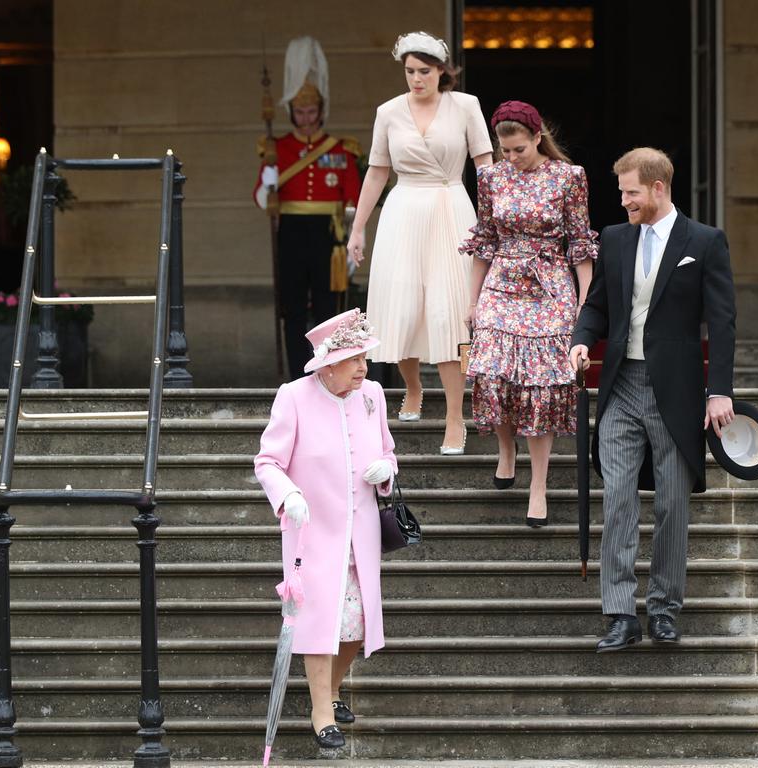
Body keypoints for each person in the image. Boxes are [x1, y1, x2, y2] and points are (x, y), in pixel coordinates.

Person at [569, 147, 736, 653]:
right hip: (620, 386)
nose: (624, 202)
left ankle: (663, 610)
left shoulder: (704, 242)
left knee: (671, 506)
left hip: (677, 392)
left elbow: (723, 321)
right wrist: (581, 337)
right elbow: (597, 304)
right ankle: (620, 614)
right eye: (622, 193)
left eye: (631, 192)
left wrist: (720, 390)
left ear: (658, 188)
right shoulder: (616, 240)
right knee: (618, 500)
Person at [254, 308, 397, 749]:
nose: (362, 367)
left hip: (363, 532)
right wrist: (288, 495)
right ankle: (321, 713)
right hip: (312, 533)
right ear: (328, 363)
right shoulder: (293, 396)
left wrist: (385, 470)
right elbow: (267, 462)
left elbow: (389, 452)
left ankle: (331, 690)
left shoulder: (373, 394)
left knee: (357, 626)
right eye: (354, 359)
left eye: (364, 358)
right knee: (319, 623)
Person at [347, 30, 493, 454]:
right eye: (409, 71)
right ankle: (412, 387)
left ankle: (454, 416)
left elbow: (484, 164)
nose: (416, 78)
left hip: (451, 205)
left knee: (449, 313)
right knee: (403, 307)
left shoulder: (465, 106)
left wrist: (492, 221)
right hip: (404, 209)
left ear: (442, 71)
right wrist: (358, 228)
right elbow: (377, 171)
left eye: (424, 71)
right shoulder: (389, 111)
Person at [460, 100, 597, 525]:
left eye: (520, 149)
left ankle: (538, 485)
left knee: (541, 386)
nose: (513, 158)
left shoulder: (569, 177)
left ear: (538, 138)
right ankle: (506, 448)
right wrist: (473, 300)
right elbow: (484, 240)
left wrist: (584, 303)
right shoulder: (490, 178)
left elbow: (579, 244)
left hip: (550, 283)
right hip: (501, 281)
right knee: (492, 372)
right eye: (506, 151)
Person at [254, 36, 362, 379]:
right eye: (300, 111)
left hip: (328, 235)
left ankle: (332, 370)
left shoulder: (341, 149)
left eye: (311, 111)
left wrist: (349, 242)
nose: (305, 118)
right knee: (294, 308)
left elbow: (353, 200)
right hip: (292, 231)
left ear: (321, 111)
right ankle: (299, 373)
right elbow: (260, 199)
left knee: (330, 308)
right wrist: (269, 180)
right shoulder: (277, 148)